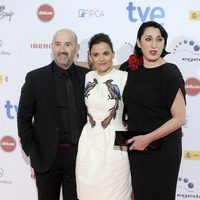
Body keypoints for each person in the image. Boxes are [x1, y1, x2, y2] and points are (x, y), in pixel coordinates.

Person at [17, 28, 89, 200]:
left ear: (77, 48)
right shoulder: (35, 78)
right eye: (58, 44)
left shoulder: (87, 77)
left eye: (67, 44)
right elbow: (24, 117)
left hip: (78, 157)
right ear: (51, 47)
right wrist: (32, 151)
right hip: (47, 158)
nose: (62, 49)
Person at [120, 21, 186, 200]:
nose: (154, 45)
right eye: (148, 39)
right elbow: (104, 71)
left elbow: (180, 118)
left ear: (164, 43)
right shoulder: (129, 68)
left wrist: (147, 139)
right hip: (136, 146)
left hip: (163, 149)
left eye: (159, 39)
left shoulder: (170, 73)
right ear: (139, 42)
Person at [76, 33, 132, 200]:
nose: (101, 59)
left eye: (106, 53)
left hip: (117, 140)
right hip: (89, 142)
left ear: (113, 54)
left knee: (115, 193)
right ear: (90, 57)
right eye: (96, 54)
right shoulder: (87, 76)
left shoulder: (124, 77)